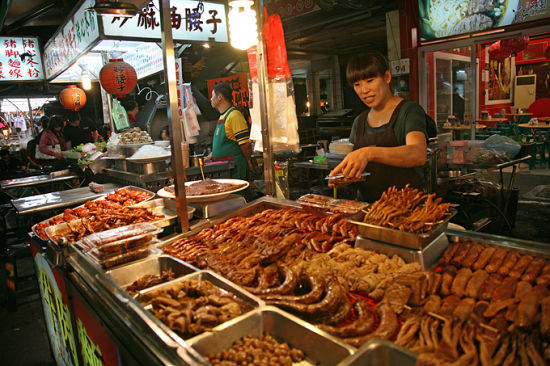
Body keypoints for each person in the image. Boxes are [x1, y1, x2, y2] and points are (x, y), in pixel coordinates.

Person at [329, 52, 428, 202]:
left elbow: (418, 154)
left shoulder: (408, 111)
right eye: (357, 84)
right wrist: (346, 177)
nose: (364, 90)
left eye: (370, 80)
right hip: (368, 209)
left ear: (387, 77)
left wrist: (369, 153)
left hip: (406, 209)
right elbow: (364, 170)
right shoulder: (359, 122)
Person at [209, 82, 251, 180]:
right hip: (224, 170)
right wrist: (211, 155)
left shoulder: (234, 115)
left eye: (212, 96)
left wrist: (246, 162)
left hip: (235, 170)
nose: (211, 99)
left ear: (220, 97)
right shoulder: (222, 116)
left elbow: (245, 145)